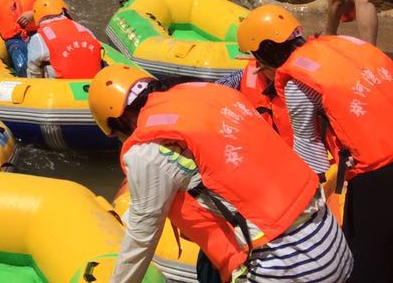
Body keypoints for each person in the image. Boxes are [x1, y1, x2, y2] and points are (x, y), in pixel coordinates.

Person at [90, 65, 352, 283]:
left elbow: (140, 239)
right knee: (209, 262)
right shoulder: (213, 95)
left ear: (118, 122)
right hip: (333, 241)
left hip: (287, 267)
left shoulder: (147, 151)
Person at [239, 4, 393, 280]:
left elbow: (310, 157)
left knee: (371, 257)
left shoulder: (299, 82)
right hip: (378, 152)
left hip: (379, 167)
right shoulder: (340, 44)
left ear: (263, 52)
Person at [25, 0, 103, 79]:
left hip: (62, 85)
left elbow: (33, 68)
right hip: (93, 80)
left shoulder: (39, 37)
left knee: (30, 64)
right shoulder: (82, 28)